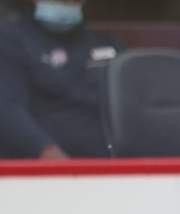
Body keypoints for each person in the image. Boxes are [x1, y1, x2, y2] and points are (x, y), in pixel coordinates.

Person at [0, 0, 121, 158]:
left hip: (108, 162)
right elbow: (8, 109)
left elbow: (130, 108)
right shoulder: (9, 40)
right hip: (40, 163)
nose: (66, 3)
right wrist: (50, 155)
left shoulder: (107, 44)